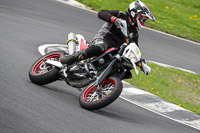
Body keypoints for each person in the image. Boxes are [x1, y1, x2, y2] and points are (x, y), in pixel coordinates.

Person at [61, 0, 156, 75]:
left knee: (123, 66)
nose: (143, 21)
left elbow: (135, 47)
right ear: (134, 13)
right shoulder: (119, 15)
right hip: (103, 40)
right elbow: (101, 13)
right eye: (143, 18)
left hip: (115, 51)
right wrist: (114, 20)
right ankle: (71, 58)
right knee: (100, 47)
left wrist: (140, 63)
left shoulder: (134, 31)